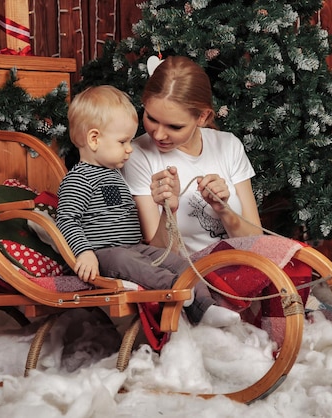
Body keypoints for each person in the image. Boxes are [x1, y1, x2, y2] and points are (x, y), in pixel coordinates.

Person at [55, 84, 240, 328]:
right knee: (125, 261)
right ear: (94, 139)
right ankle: (175, 289)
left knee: (181, 263)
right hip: (105, 253)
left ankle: (206, 308)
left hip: (134, 247)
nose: (130, 148)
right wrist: (83, 252)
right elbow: (66, 220)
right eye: (123, 141)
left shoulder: (115, 174)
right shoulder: (78, 179)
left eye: (130, 140)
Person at [122, 56, 263, 254]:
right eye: (151, 118)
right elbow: (158, 258)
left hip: (241, 266)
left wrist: (224, 210)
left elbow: (257, 243)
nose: (159, 134)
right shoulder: (138, 155)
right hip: (189, 278)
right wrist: (168, 212)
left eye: (174, 126)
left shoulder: (228, 145)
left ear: (202, 117)